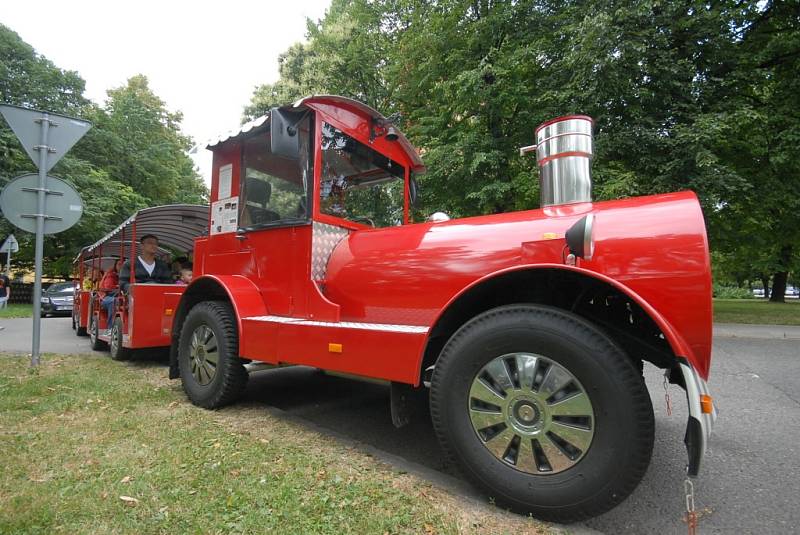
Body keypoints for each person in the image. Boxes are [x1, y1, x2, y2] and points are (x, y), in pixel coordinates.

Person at [99, 258, 123, 329]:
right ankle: (110, 328)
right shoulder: (111, 275)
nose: (121, 267)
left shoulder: (127, 275)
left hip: (120, 297)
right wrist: (118, 286)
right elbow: (108, 287)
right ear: (115, 266)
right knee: (113, 301)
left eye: (123, 265)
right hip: (105, 297)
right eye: (119, 264)